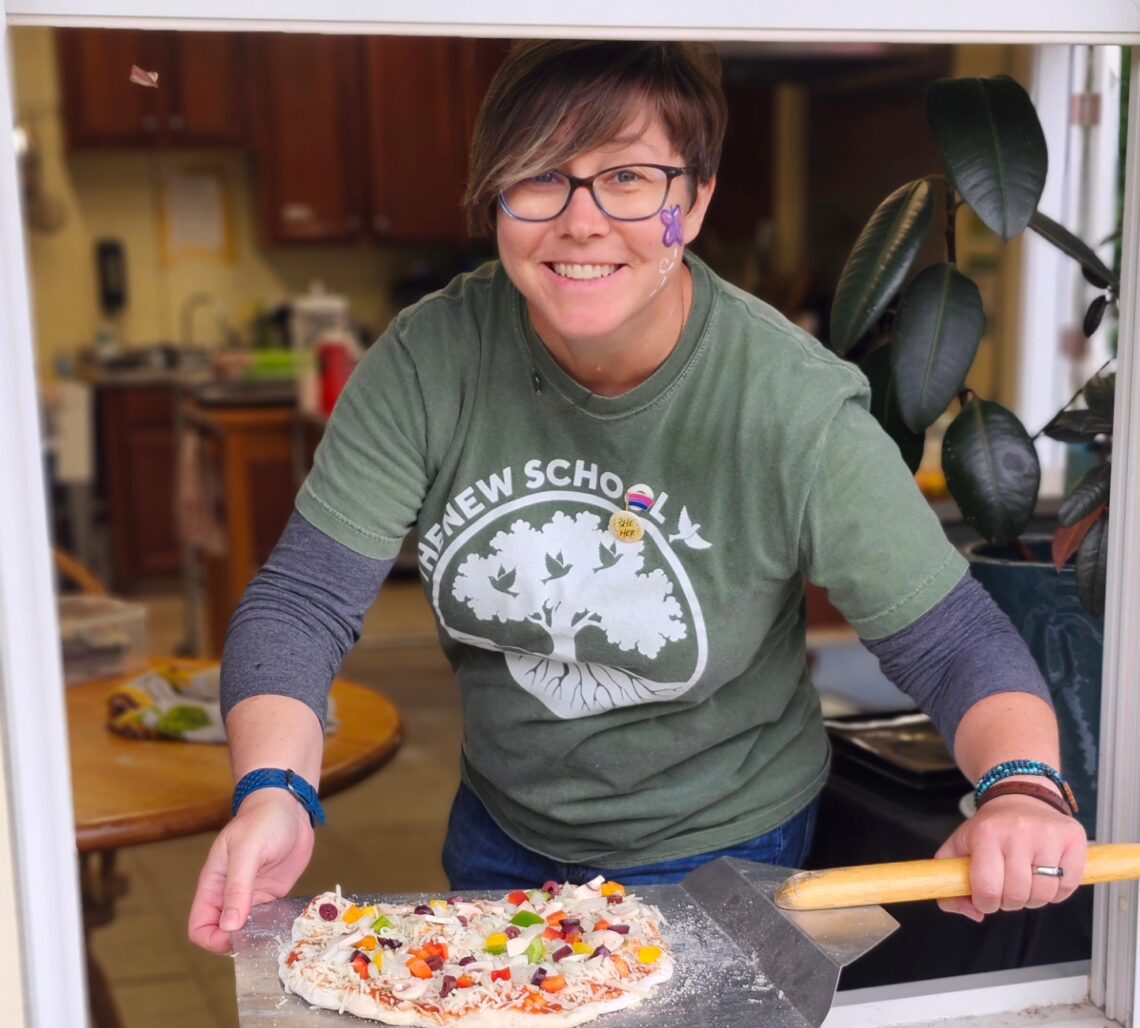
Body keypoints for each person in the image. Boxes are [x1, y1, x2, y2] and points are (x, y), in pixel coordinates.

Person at [189, 40, 1087, 955]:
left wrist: (1020, 786)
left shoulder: (789, 406)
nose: (581, 222)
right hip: (502, 839)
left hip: (727, 852)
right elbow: (302, 604)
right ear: (496, 196)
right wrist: (275, 793)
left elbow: (952, 640)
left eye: (627, 177)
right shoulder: (432, 362)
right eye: (540, 176)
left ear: (692, 202)